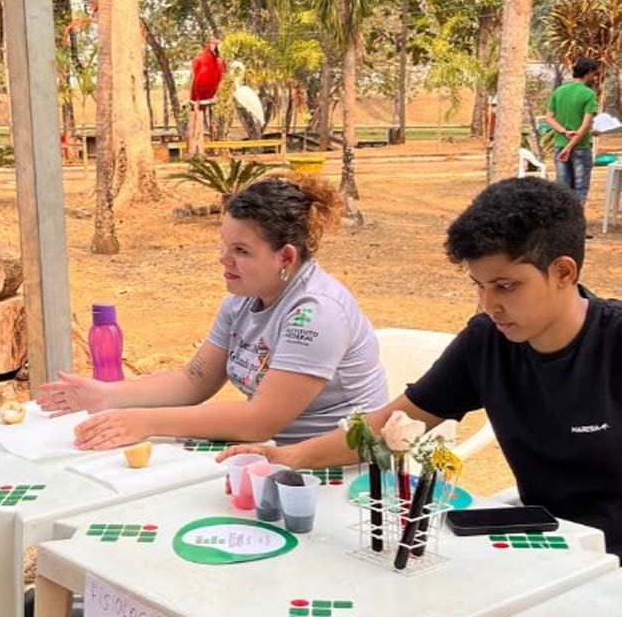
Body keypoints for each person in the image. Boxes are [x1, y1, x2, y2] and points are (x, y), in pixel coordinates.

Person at [218, 177, 622, 559]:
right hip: (555, 547)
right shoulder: (487, 342)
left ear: (563, 273)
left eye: (506, 285)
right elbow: (395, 421)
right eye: (478, 285)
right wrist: (291, 457)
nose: (488, 304)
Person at [40, 176, 388, 450]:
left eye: (241, 250)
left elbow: (258, 421)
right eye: (224, 244)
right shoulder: (242, 299)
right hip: (272, 453)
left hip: (337, 465)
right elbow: (193, 380)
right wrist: (108, 395)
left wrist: (146, 422)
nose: (224, 259)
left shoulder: (315, 313)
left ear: (286, 257)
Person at [544, 57, 599, 206]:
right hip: (580, 147)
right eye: (594, 74)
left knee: (562, 189)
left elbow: (548, 118)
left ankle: (561, 224)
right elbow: (584, 126)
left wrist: (563, 132)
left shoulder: (559, 91)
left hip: (560, 145)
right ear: (588, 73)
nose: (594, 77)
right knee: (580, 188)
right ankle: (575, 224)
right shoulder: (589, 94)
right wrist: (570, 147)